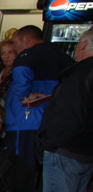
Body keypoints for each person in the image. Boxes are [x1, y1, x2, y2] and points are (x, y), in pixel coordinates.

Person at [37, 28, 93, 192]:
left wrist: (48, 143)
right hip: (86, 153)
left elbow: (71, 117)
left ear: (83, 45)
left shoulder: (78, 74)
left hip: (65, 151)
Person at [5, 25, 73, 171]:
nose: (15, 48)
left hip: (25, 120)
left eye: (15, 43)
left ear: (27, 39)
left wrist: (24, 96)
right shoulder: (64, 58)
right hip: (50, 122)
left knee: (19, 169)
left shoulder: (28, 55)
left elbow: (21, 73)